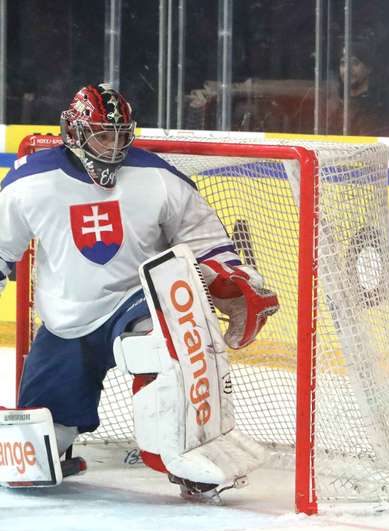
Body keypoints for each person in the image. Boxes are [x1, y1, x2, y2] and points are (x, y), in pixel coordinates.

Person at [0, 83, 279, 501]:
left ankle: (186, 453)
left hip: (138, 297)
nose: (113, 147)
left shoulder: (155, 175)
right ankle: (58, 443)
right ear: (74, 132)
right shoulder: (30, 182)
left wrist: (230, 275)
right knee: (41, 445)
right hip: (67, 318)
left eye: (120, 136)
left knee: (164, 347)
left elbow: (202, 235)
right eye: (102, 136)